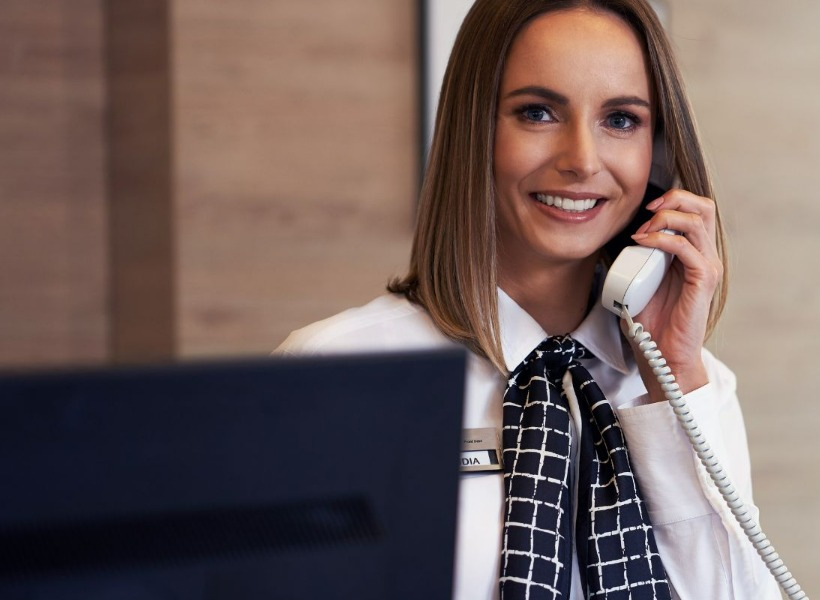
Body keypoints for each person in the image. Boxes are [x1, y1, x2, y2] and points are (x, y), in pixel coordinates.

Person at [275, 1, 780, 598]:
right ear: (475, 129)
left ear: (660, 158)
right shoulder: (337, 372)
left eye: (620, 120)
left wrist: (673, 389)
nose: (582, 161)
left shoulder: (694, 387)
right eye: (537, 113)